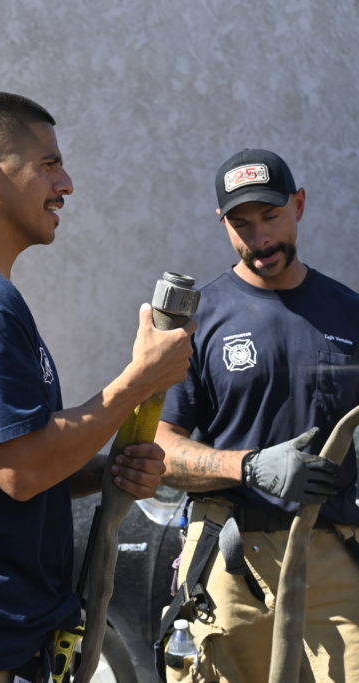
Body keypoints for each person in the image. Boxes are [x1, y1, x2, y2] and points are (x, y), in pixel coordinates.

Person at [0, 90, 195, 682]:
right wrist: (139, 380)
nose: (66, 184)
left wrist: (106, 471)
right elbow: (19, 470)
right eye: (48, 164)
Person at [156, 148, 359, 682]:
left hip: (335, 556)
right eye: (241, 224)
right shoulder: (198, 321)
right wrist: (248, 467)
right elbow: (158, 450)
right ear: (222, 223)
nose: (260, 238)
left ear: (300, 205)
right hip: (230, 559)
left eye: (271, 216)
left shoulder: (350, 313)